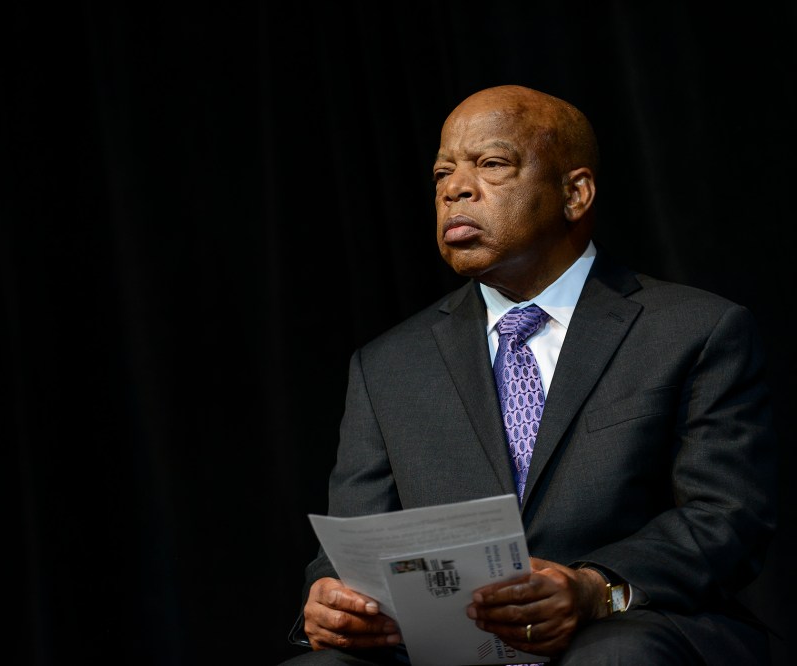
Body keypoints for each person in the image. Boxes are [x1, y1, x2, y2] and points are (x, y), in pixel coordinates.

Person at [281, 84, 777, 665]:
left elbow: (727, 517)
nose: (454, 189)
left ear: (575, 192)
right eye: (442, 173)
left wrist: (594, 588)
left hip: (628, 623)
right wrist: (331, 595)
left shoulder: (695, 329)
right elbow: (355, 541)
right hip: (452, 645)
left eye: (491, 164)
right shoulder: (388, 364)